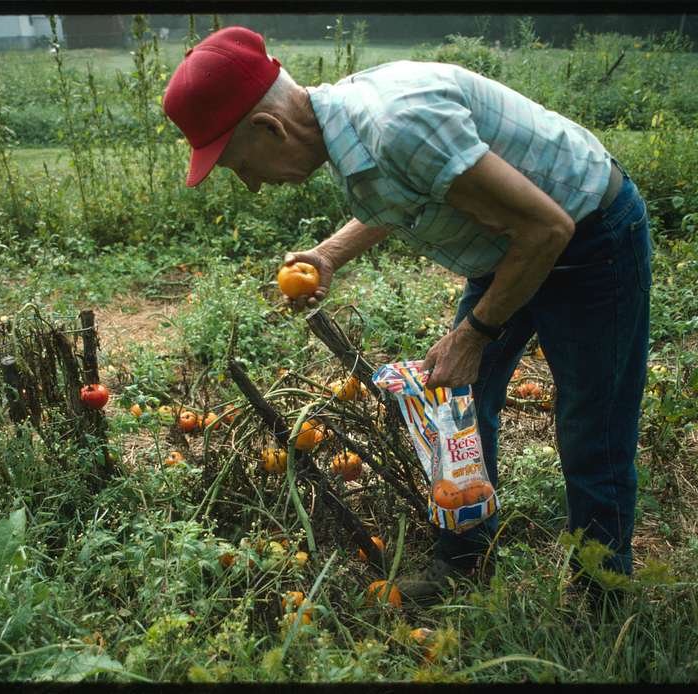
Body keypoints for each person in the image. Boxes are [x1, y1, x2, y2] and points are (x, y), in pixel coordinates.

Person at [163, 26, 651, 606]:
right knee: (458, 407)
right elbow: (411, 191)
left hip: (589, 239)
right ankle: (467, 558)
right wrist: (328, 254)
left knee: (592, 424)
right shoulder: (347, 127)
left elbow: (547, 229)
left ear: (270, 128)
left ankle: (603, 593)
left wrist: (476, 332)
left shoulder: (394, 124)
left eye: (240, 165)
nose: (251, 185)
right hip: (510, 247)